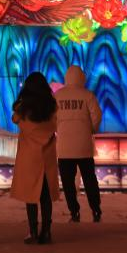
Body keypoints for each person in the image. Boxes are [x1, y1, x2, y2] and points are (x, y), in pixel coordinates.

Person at [10, 72, 60, 245]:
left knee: (31, 197)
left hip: (29, 158)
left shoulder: (22, 108)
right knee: (45, 197)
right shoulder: (52, 106)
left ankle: (32, 231)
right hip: (46, 158)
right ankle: (46, 232)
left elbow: (14, 118)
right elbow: (56, 124)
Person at [54, 65, 102, 223]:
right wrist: (91, 130)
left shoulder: (58, 96)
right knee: (90, 180)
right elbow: (96, 116)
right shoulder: (88, 95)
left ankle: (74, 212)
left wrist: (59, 130)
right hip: (84, 147)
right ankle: (96, 210)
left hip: (64, 148)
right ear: (82, 78)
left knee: (68, 183)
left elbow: (52, 119)